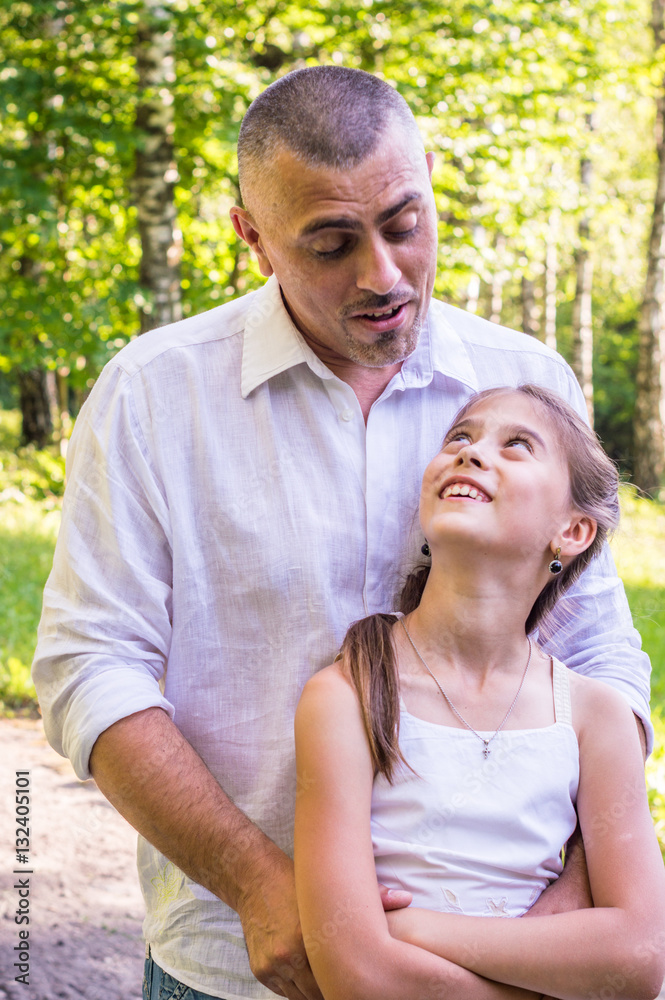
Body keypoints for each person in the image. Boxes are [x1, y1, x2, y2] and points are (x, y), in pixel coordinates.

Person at [32, 66, 652, 1000]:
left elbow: (598, 649)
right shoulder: (154, 393)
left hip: (520, 958)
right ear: (252, 237)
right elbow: (90, 667)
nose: (383, 274)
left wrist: (580, 892)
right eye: (329, 244)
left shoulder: (523, 377)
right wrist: (259, 888)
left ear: (430, 178)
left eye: (404, 223)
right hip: (233, 964)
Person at [294, 384, 665, 1000]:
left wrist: (415, 929)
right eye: (459, 438)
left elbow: (643, 956)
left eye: (517, 446)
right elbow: (357, 976)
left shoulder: (594, 719)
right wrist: (553, 983)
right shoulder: (347, 696)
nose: (471, 453)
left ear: (572, 531)